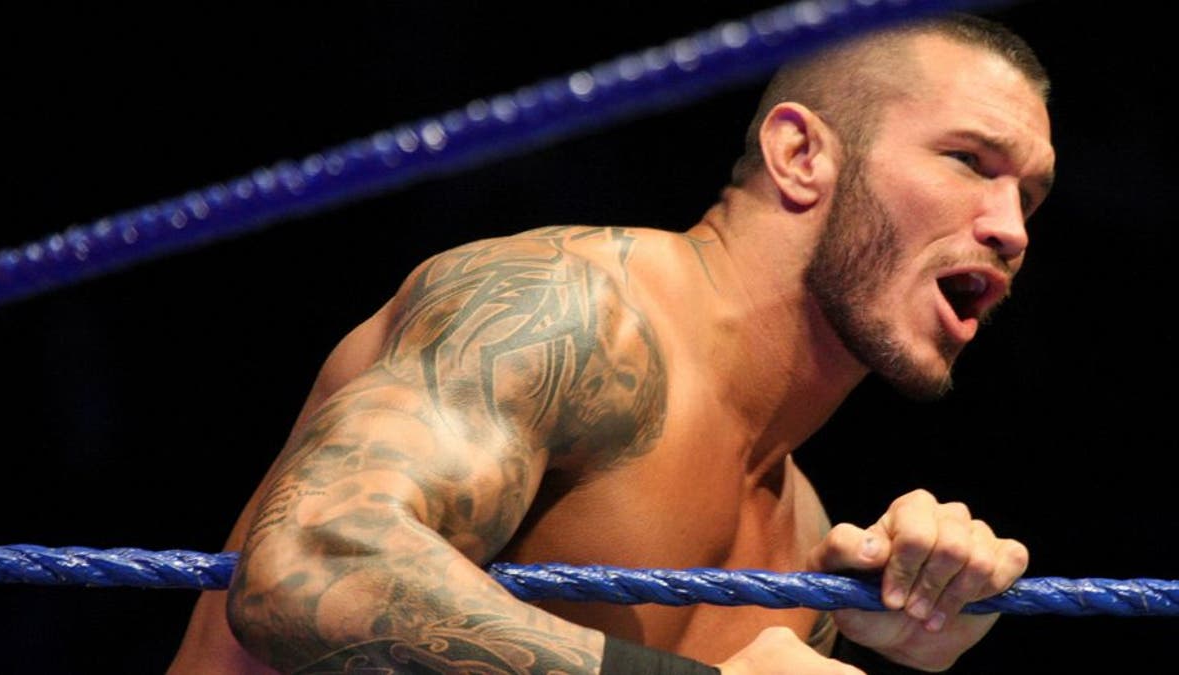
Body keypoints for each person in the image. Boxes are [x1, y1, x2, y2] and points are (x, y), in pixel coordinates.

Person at [169, 12, 1055, 674]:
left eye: (1032, 195)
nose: (1012, 228)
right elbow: (310, 563)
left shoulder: (802, 541)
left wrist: (906, 612)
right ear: (799, 154)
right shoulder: (570, 311)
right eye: (971, 161)